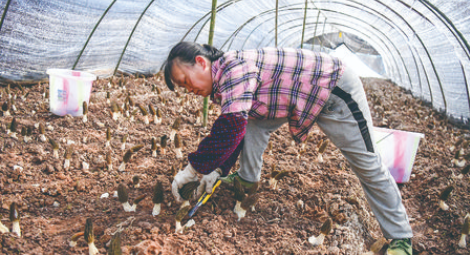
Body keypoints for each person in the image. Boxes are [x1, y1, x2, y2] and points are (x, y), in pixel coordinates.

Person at [162, 42, 413, 255]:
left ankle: (400, 236)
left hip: (331, 89)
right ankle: (246, 181)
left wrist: (194, 169)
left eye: (185, 80)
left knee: (367, 163)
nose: (189, 90)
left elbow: (231, 126)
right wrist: (218, 168)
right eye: (183, 88)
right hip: (292, 97)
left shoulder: (232, 68)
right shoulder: (224, 82)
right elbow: (237, 126)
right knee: (253, 124)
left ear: (201, 62)